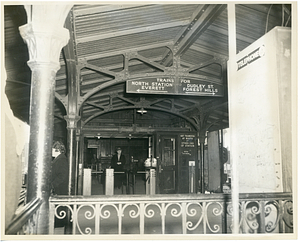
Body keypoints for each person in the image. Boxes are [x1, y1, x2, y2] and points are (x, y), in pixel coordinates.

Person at [51, 140, 69, 230]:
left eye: (52, 150)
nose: (51, 152)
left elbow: (62, 176)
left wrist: (53, 184)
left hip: (59, 189)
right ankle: (58, 223)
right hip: (58, 188)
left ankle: (59, 224)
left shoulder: (61, 160)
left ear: (57, 150)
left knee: (60, 207)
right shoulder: (58, 159)